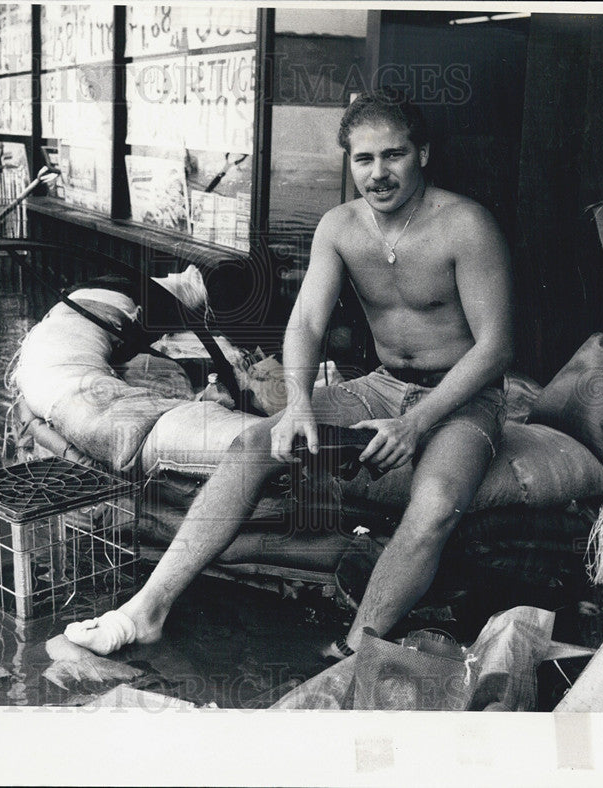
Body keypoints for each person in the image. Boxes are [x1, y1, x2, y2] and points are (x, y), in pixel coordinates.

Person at [51, 89, 514, 660]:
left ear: (422, 152)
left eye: (393, 156)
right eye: (363, 159)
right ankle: (145, 610)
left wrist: (417, 423)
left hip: (464, 397)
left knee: (437, 502)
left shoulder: (466, 225)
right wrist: (296, 403)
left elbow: (495, 349)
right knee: (253, 442)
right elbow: (305, 323)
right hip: (383, 383)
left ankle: (351, 652)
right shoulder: (340, 227)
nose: (378, 174)